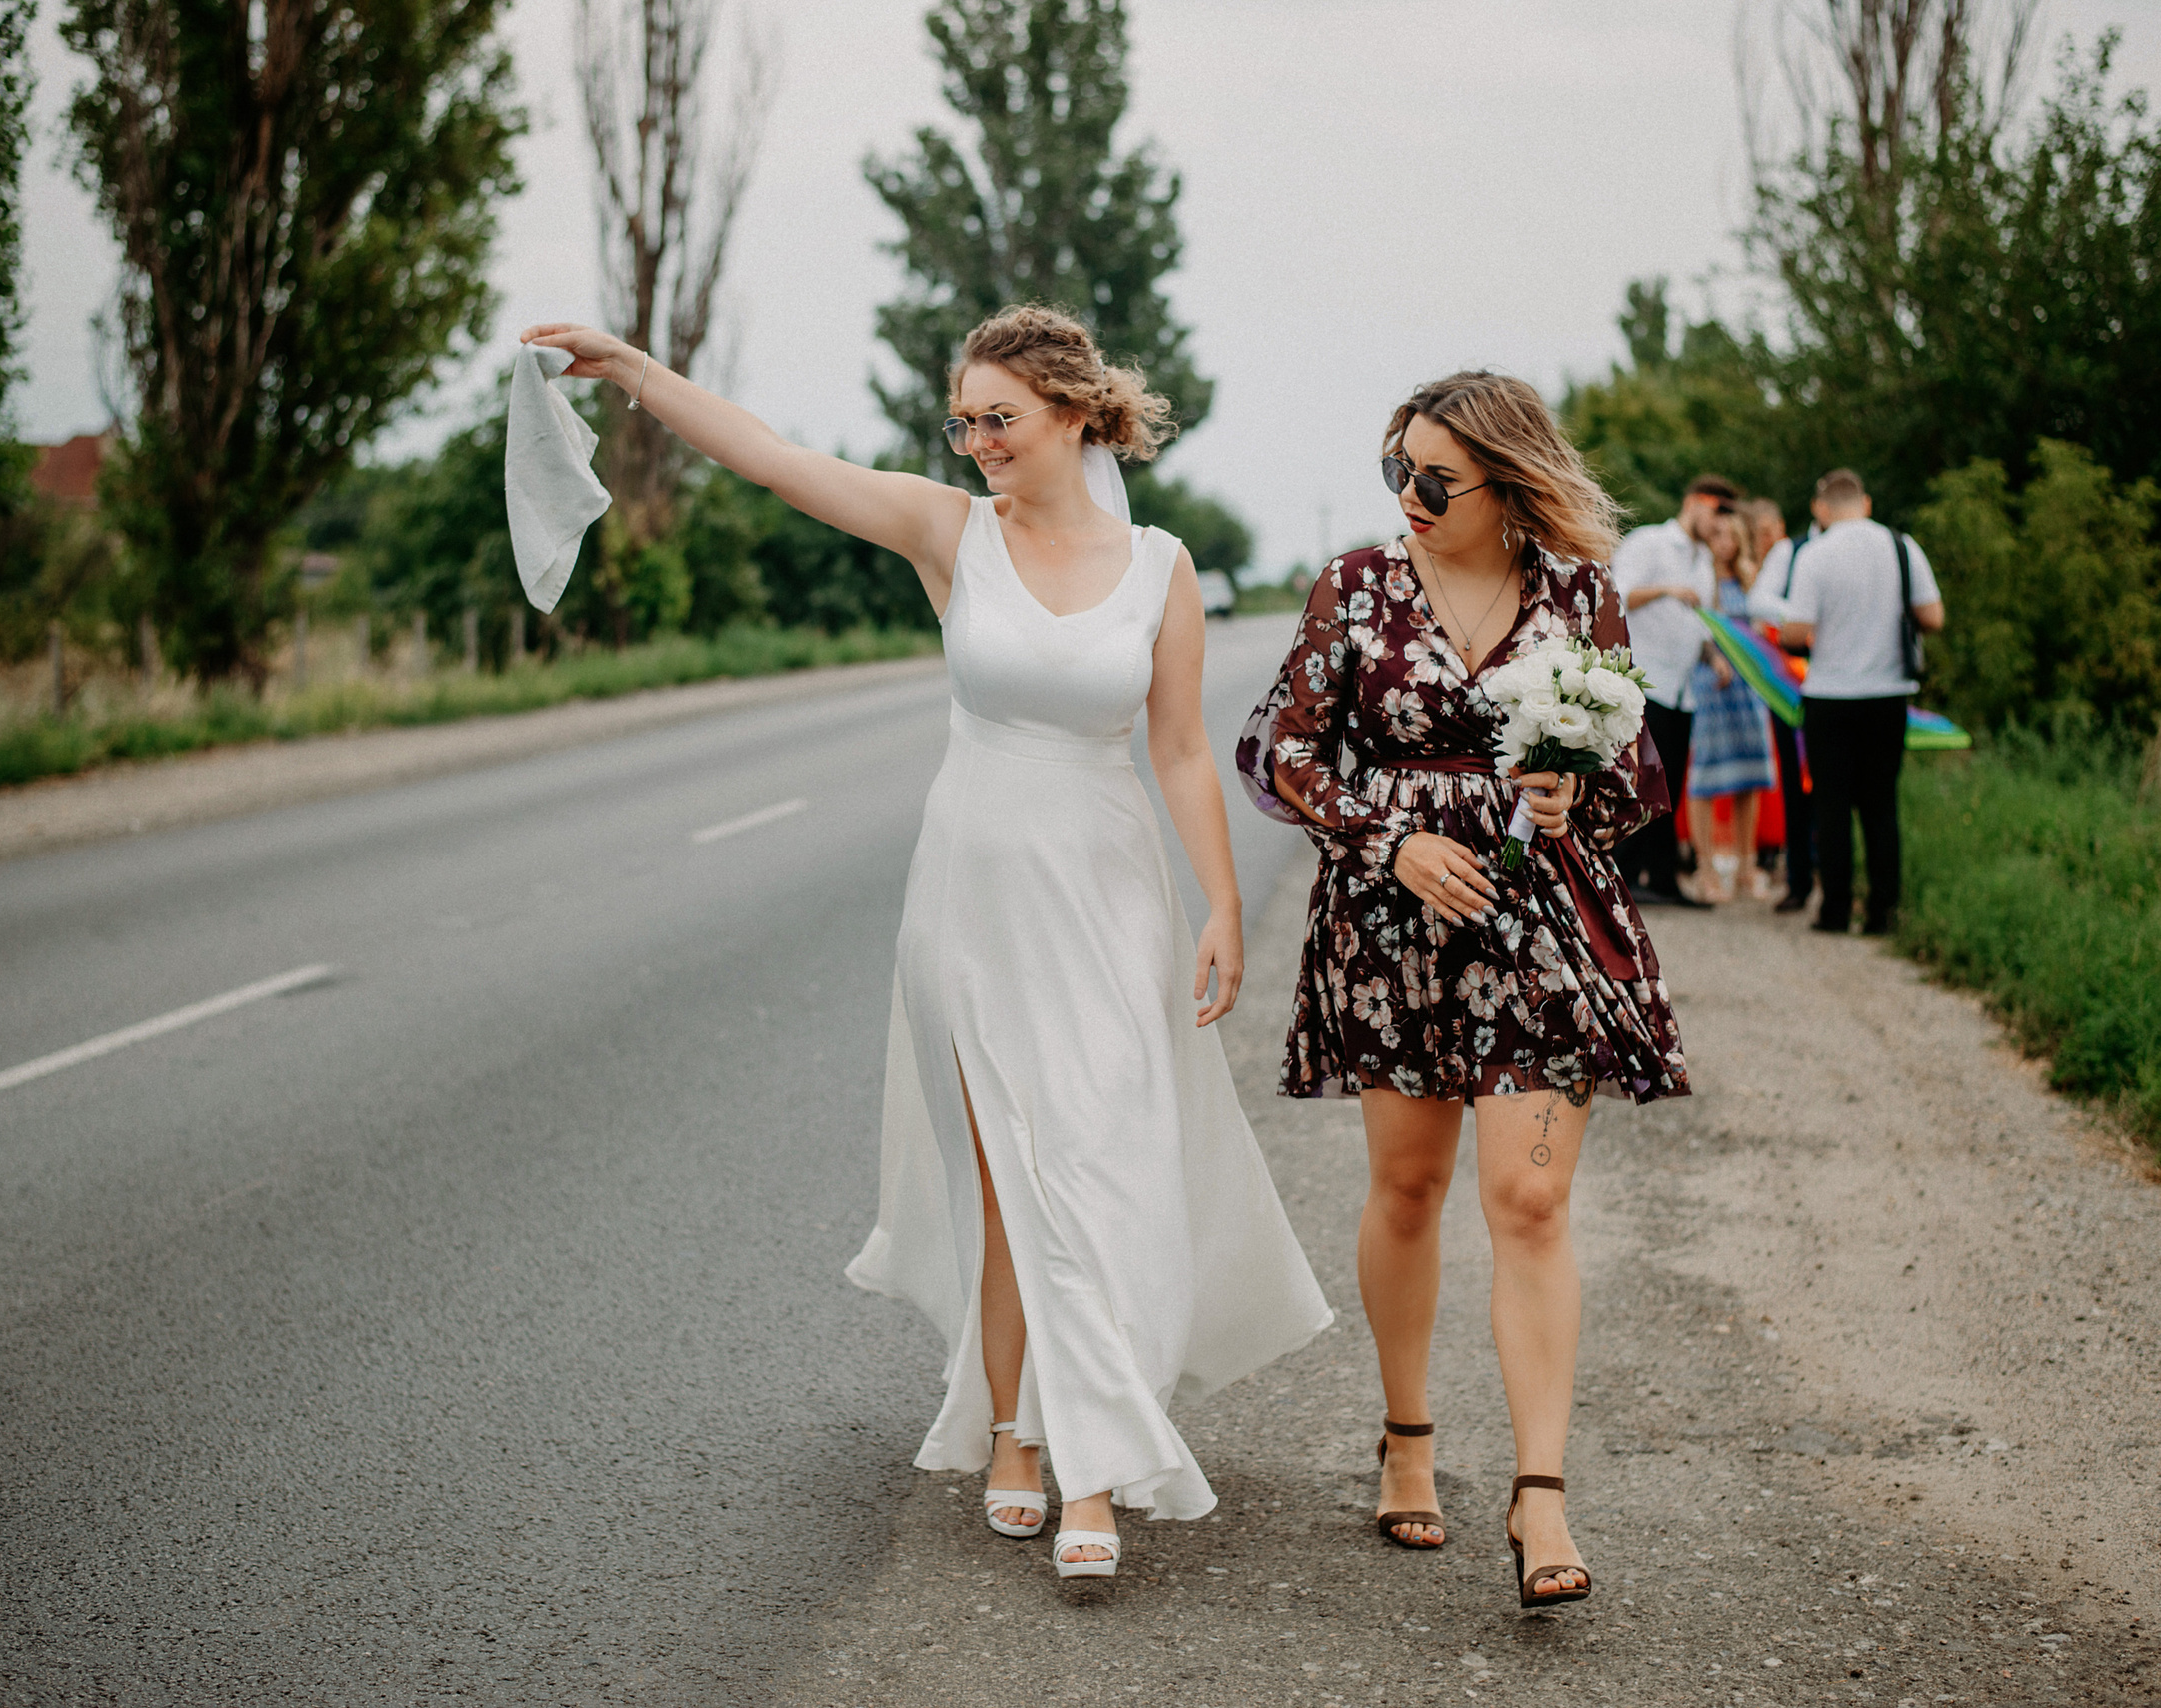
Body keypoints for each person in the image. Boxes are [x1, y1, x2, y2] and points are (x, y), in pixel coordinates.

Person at [521, 307, 1333, 1581]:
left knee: (1098, 1161)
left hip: (1108, 893)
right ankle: (1023, 1433)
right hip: (969, 890)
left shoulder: (1160, 565)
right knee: (1008, 1176)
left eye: (995, 418)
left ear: (1072, 412)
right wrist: (633, 373)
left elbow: (1178, 744)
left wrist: (1222, 903)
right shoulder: (949, 531)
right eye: (959, 420)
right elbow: (774, 458)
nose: (973, 443)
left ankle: (1096, 1453)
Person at [1239, 372, 1690, 1609]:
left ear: (1508, 482)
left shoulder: (1580, 594)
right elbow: (1277, 750)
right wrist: (1388, 832)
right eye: (1399, 466)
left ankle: (1539, 1491)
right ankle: (1409, 1434)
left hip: (1542, 922)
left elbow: (1635, 771)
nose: (1410, 494)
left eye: (1437, 477)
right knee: (1410, 1183)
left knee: (1529, 1197)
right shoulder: (1357, 586)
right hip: (1396, 923)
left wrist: (1572, 796)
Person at [1780, 469, 1946, 937]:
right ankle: (1882, 914)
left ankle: (1834, 912)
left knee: (1831, 804)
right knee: (1880, 803)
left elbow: (1794, 631)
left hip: (1830, 694)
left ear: (1824, 509)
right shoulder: (1902, 546)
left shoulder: (1815, 553)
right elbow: (1933, 615)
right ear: (1866, 503)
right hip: (1889, 693)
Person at [1610, 475, 1737, 908]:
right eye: (1718, 511)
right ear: (1696, 502)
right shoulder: (1651, 543)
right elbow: (1618, 593)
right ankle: (1620, 878)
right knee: (1642, 784)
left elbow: (1697, 623)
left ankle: (1664, 879)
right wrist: (1665, 589)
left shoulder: (1703, 561)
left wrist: (1713, 656)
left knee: (1671, 787)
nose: (1720, 524)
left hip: (1684, 690)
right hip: (1647, 683)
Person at [1685, 508, 1777, 900]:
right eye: (1717, 534)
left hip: (1747, 686)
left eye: (1730, 534)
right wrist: (1712, 656)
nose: (1724, 542)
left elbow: (1761, 626)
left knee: (1750, 777)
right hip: (1712, 682)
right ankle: (1706, 869)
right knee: (1705, 777)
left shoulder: (1750, 575)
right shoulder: (1700, 576)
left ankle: (1746, 867)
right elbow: (1692, 627)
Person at [1743, 495, 1820, 911]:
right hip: (1790, 682)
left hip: (1841, 682)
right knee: (1794, 777)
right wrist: (1806, 618)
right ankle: (1798, 879)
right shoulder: (1793, 551)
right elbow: (1759, 601)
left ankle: (1829, 867)